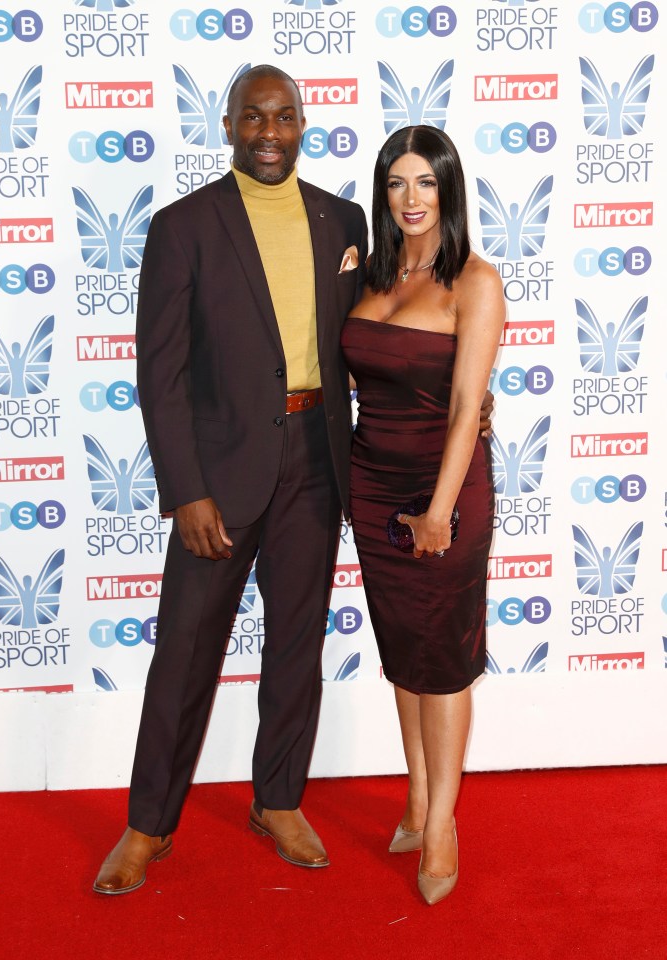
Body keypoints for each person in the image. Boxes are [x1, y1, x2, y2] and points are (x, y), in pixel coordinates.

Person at [93, 64, 370, 894]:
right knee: (183, 650)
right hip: (220, 469)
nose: (269, 133)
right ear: (226, 125)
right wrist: (186, 489)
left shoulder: (341, 218)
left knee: (296, 642)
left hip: (317, 461)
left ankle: (277, 801)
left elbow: (375, 331)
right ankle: (148, 824)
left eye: (284, 117)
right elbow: (161, 371)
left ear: (302, 124)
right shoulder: (184, 226)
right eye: (253, 117)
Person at [341, 126, 505, 905]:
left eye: (425, 183)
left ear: (448, 189)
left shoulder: (474, 281)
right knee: (402, 649)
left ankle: (441, 822)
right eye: (396, 183)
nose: (410, 199)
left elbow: (469, 404)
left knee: (441, 661)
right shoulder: (367, 275)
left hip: (443, 489)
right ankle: (414, 793)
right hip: (369, 485)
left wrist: (438, 510)